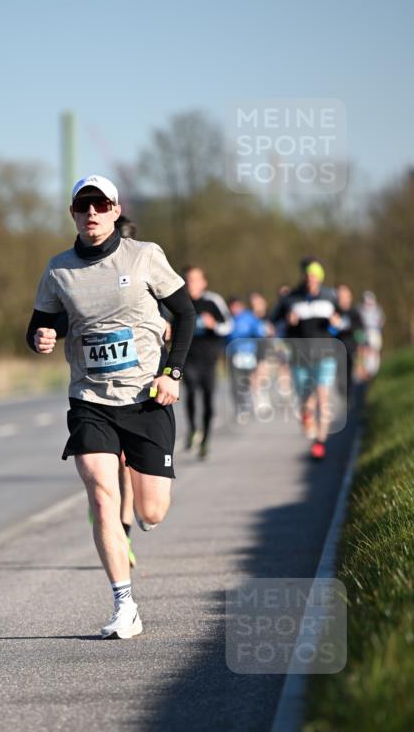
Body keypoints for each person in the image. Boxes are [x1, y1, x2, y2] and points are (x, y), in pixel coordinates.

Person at [26, 175, 195, 639]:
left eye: (101, 205)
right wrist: (41, 337)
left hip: (145, 399)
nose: (92, 214)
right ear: (73, 214)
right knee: (102, 496)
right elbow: (41, 324)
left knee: (152, 512)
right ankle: (124, 605)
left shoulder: (145, 256)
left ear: (116, 211)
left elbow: (186, 313)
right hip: (90, 399)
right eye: (83, 207)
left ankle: (140, 505)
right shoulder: (59, 270)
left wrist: (172, 373)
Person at [271, 259, 342, 460]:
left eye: (314, 275)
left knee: (323, 397)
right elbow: (273, 322)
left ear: (320, 278)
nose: (310, 279)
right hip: (300, 357)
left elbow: (342, 322)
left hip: (325, 355)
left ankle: (320, 442)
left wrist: (336, 323)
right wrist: (288, 321)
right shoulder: (291, 299)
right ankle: (306, 414)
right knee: (305, 399)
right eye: (308, 275)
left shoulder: (330, 297)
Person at [180, 266, 232, 458]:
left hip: (209, 360)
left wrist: (214, 325)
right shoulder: (179, 301)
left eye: (195, 280)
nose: (191, 283)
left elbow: (229, 326)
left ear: (204, 282)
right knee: (191, 392)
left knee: (208, 400)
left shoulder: (212, 301)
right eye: (188, 279)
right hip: (188, 358)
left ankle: (205, 441)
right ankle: (193, 429)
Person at [225, 296, 267, 421]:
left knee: (248, 381)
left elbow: (260, 334)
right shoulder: (228, 319)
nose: (234, 310)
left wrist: (260, 356)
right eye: (232, 307)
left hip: (248, 355)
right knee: (235, 383)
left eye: (236, 306)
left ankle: (251, 405)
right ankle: (240, 408)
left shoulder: (249, 318)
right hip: (233, 355)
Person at [334, 283, 366, 400]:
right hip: (335, 353)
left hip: (351, 352)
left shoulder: (355, 313)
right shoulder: (333, 313)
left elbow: (361, 336)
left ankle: (351, 401)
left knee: (351, 381)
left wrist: (361, 359)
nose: (341, 299)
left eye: (344, 296)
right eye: (339, 296)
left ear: (350, 297)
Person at [358, 290, 385, 378]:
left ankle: (373, 371)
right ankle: (366, 372)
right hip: (365, 333)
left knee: (374, 351)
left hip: (375, 332)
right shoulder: (360, 309)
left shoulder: (378, 309)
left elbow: (381, 321)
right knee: (365, 352)